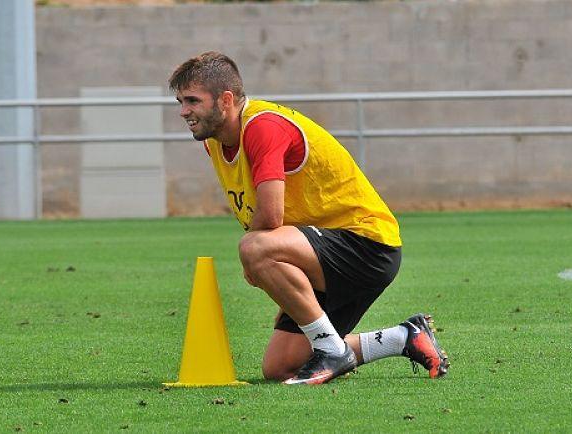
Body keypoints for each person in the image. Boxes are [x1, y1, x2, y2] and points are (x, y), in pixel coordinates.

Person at [168, 51, 449, 385]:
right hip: (321, 252)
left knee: (256, 247)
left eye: (192, 101)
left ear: (226, 100)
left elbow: (270, 217)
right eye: (180, 101)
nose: (184, 111)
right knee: (280, 368)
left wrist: (256, 259)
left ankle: (331, 349)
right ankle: (403, 337)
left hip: (366, 245)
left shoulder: (261, 126)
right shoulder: (215, 142)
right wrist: (287, 287)